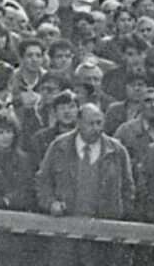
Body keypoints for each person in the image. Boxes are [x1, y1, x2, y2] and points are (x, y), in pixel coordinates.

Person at [35, 102, 134, 266]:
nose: (96, 128)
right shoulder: (59, 147)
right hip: (66, 234)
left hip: (104, 237)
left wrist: (119, 214)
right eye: (90, 123)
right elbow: (43, 182)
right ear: (79, 123)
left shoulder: (117, 151)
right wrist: (50, 203)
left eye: (99, 123)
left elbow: (128, 189)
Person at [0, 110, 35, 266]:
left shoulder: (24, 160)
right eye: (0, 132)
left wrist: (9, 200)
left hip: (17, 227)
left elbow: (27, 188)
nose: (5, 136)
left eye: (9, 132)